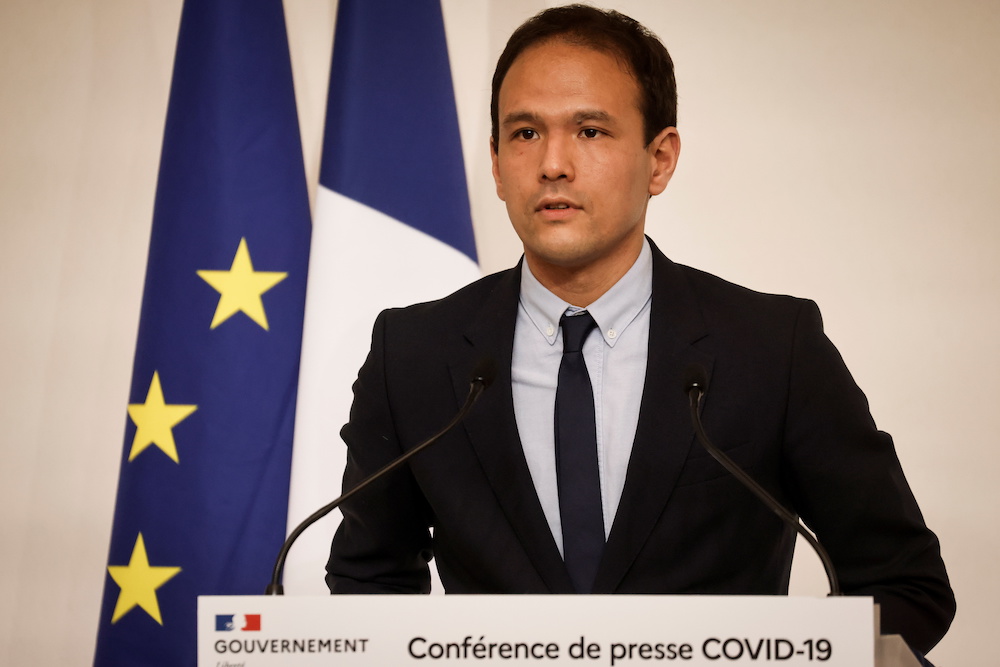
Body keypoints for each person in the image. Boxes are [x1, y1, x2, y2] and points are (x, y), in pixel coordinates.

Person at [326, 4, 955, 656]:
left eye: (591, 131)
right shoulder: (415, 356)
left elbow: (903, 582)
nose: (553, 164)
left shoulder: (772, 347)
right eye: (524, 134)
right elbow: (367, 582)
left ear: (660, 159)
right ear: (494, 162)